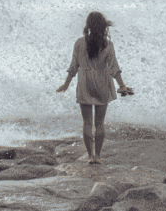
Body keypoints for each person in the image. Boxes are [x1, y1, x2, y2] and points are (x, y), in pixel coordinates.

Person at [57, 11, 133, 164]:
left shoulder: (79, 43)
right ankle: (98, 157)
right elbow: (114, 68)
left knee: (87, 123)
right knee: (99, 124)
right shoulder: (108, 44)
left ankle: (90, 156)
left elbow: (74, 66)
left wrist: (66, 83)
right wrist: (122, 86)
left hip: (85, 85)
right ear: (103, 26)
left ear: (88, 25)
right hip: (103, 86)